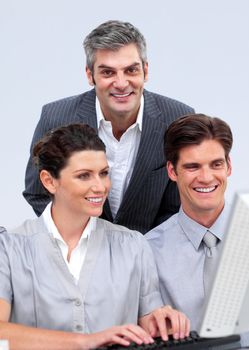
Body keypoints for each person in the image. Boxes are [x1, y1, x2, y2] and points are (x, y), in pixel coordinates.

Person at [0, 124, 190, 350]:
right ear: (49, 181)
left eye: (104, 173)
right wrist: (85, 342)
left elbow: (149, 324)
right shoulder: (9, 247)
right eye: (84, 176)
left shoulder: (133, 246)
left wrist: (163, 321)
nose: (100, 187)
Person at [23, 20, 194, 234]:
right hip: (80, 255)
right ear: (89, 75)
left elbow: (179, 204)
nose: (121, 83)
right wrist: (82, 241)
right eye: (108, 72)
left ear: (145, 71)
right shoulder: (55, 118)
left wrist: (139, 250)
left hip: (152, 254)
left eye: (131, 70)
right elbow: (37, 193)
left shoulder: (177, 118)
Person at [146, 114, 233, 330]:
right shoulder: (148, 252)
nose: (206, 177)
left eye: (216, 164)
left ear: (228, 167)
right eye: (193, 167)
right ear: (172, 171)